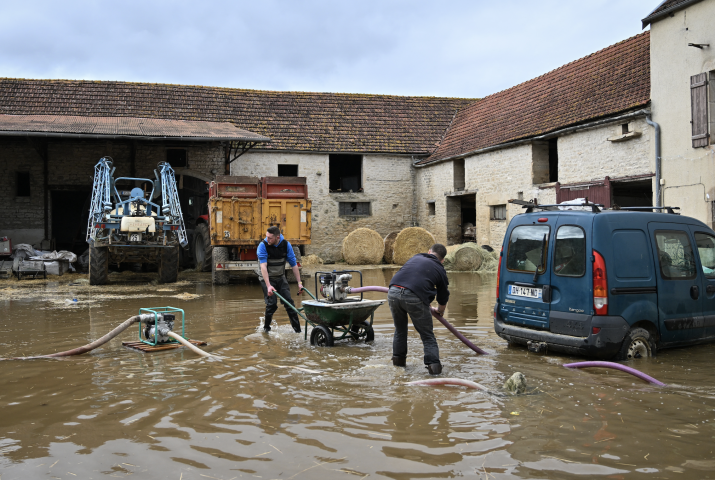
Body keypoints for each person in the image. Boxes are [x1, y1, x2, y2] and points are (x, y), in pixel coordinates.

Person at [388, 243, 450, 375]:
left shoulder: (415, 257)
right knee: (427, 335)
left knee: (400, 330)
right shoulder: (440, 268)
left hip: (393, 291)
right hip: (414, 296)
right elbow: (443, 296)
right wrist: (440, 311)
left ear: (429, 252)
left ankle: (398, 369)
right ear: (443, 260)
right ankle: (435, 374)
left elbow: (411, 277)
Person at [257, 226, 304, 333]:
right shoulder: (262, 245)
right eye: (266, 237)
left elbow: (294, 264)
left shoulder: (286, 245)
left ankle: (298, 332)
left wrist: (299, 283)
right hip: (267, 278)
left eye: (270, 238)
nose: (267, 239)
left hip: (280, 277)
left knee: (290, 304)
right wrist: (269, 286)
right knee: (272, 304)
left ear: (277, 237)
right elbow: (263, 267)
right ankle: (266, 330)